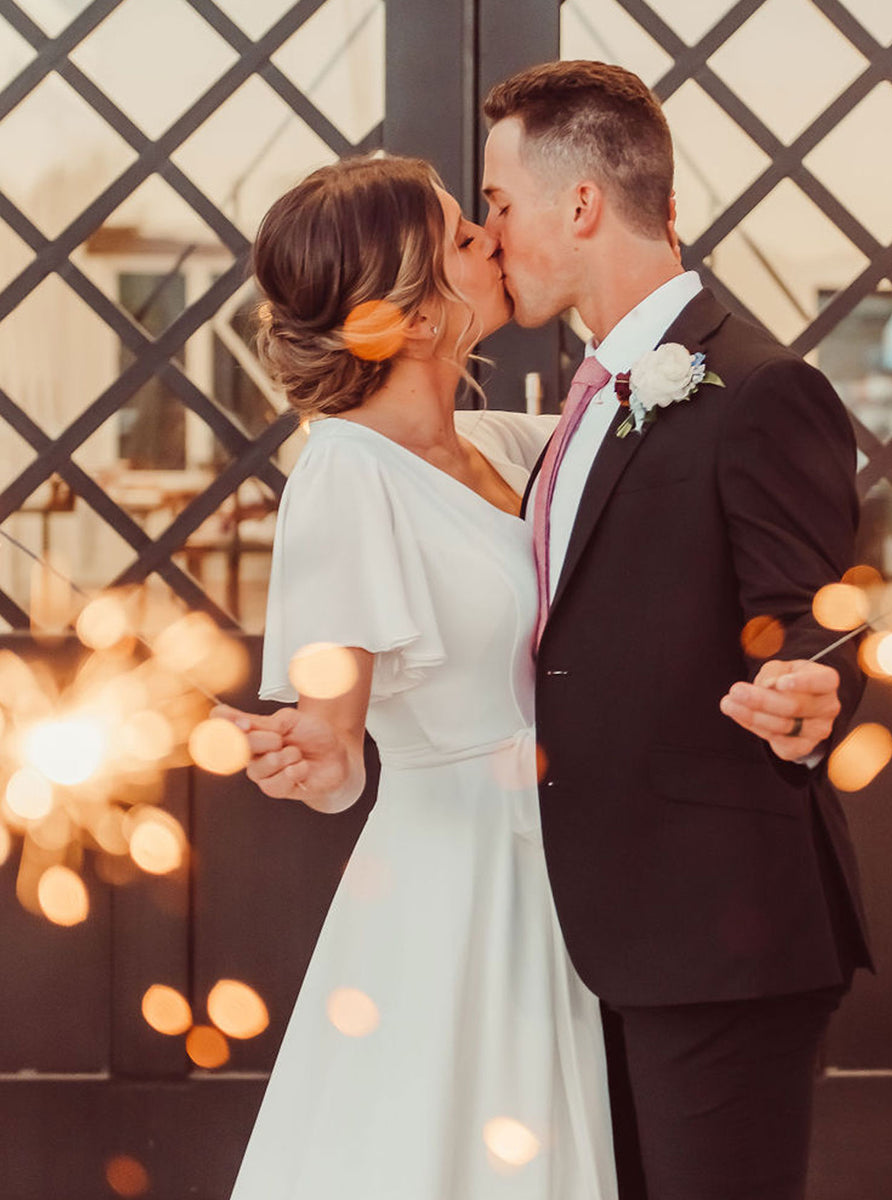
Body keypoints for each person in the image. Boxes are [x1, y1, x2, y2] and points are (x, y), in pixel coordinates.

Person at [478, 60, 873, 1200]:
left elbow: (814, 616)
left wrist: (813, 696)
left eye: (501, 205)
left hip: (719, 934)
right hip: (589, 926)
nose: (492, 234)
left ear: (582, 204)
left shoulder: (759, 388)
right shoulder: (584, 396)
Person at [214, 155, 618, 1199]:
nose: (490, 238)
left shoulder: (523, 444)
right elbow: (337, 741)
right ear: (409, 311)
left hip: (580, 864)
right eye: (460, 236)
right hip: (459, 883)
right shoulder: (345, 471)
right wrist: (306, 751)